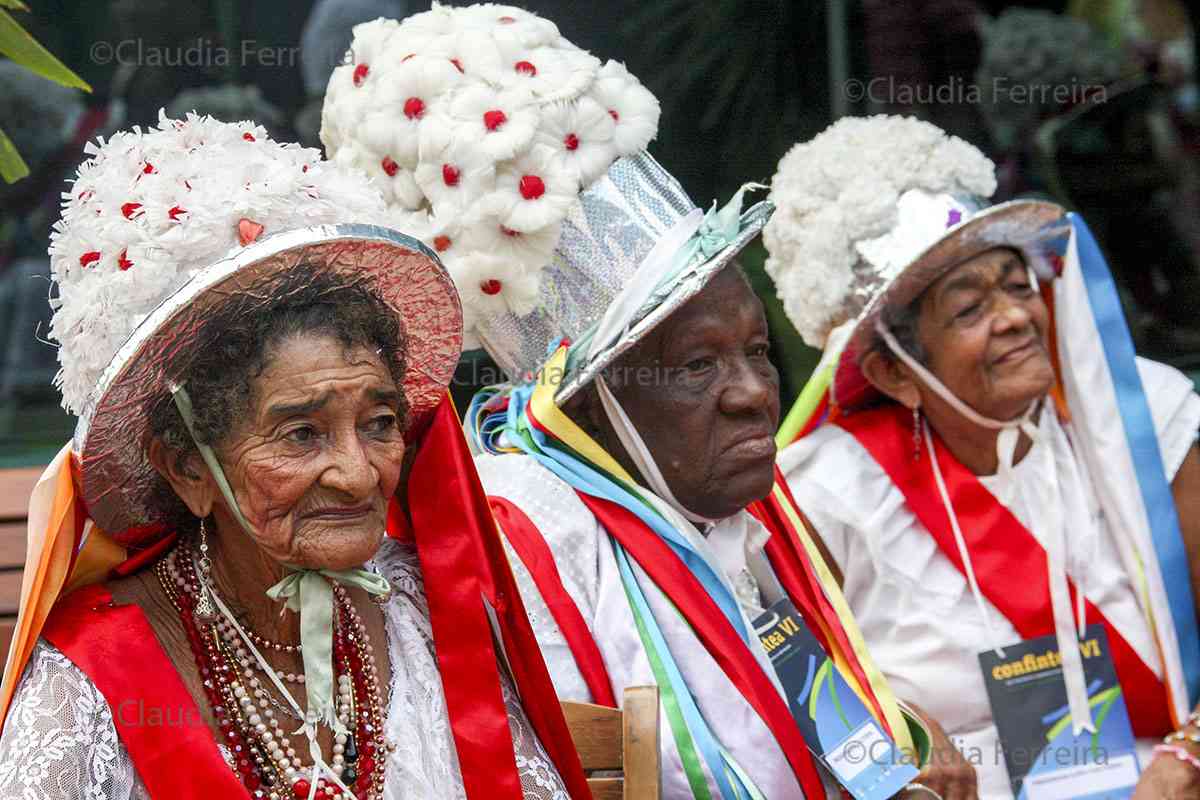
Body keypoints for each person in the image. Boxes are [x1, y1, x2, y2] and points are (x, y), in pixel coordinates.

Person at [322, 7, 974, 798]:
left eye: (759, 352)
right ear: (592, 406)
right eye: (699, 365)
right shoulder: (524, 540)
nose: (752, 394)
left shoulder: (736, 509)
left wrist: (898, 745)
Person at [0, 113, 589, 800]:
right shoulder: (93, 680)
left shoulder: (425, 615)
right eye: (302, 435)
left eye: (379, 422)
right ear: (189, 468)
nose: (358, 473)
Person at [766, 114, 1200, 799]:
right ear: (894, 374)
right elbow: (773, 657)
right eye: (969, 309)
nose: (1016, 317)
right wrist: (892, 725)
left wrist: (1190, 758)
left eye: (1018, 284)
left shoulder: (1145, 414)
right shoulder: (828, 487)